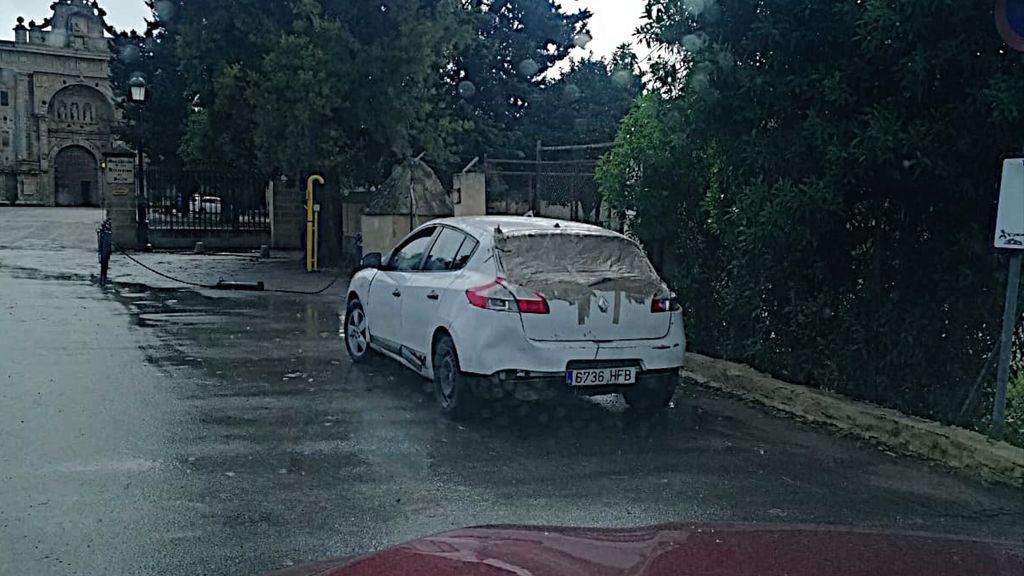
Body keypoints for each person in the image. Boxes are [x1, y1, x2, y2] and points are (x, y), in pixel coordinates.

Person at [96, 218, 113, 285]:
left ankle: (103, 277)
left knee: (105, 261)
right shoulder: (104, 233)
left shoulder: (106, 233)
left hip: (105, 250)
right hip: (104, 250)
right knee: (104, 261)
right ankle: (103, 277)